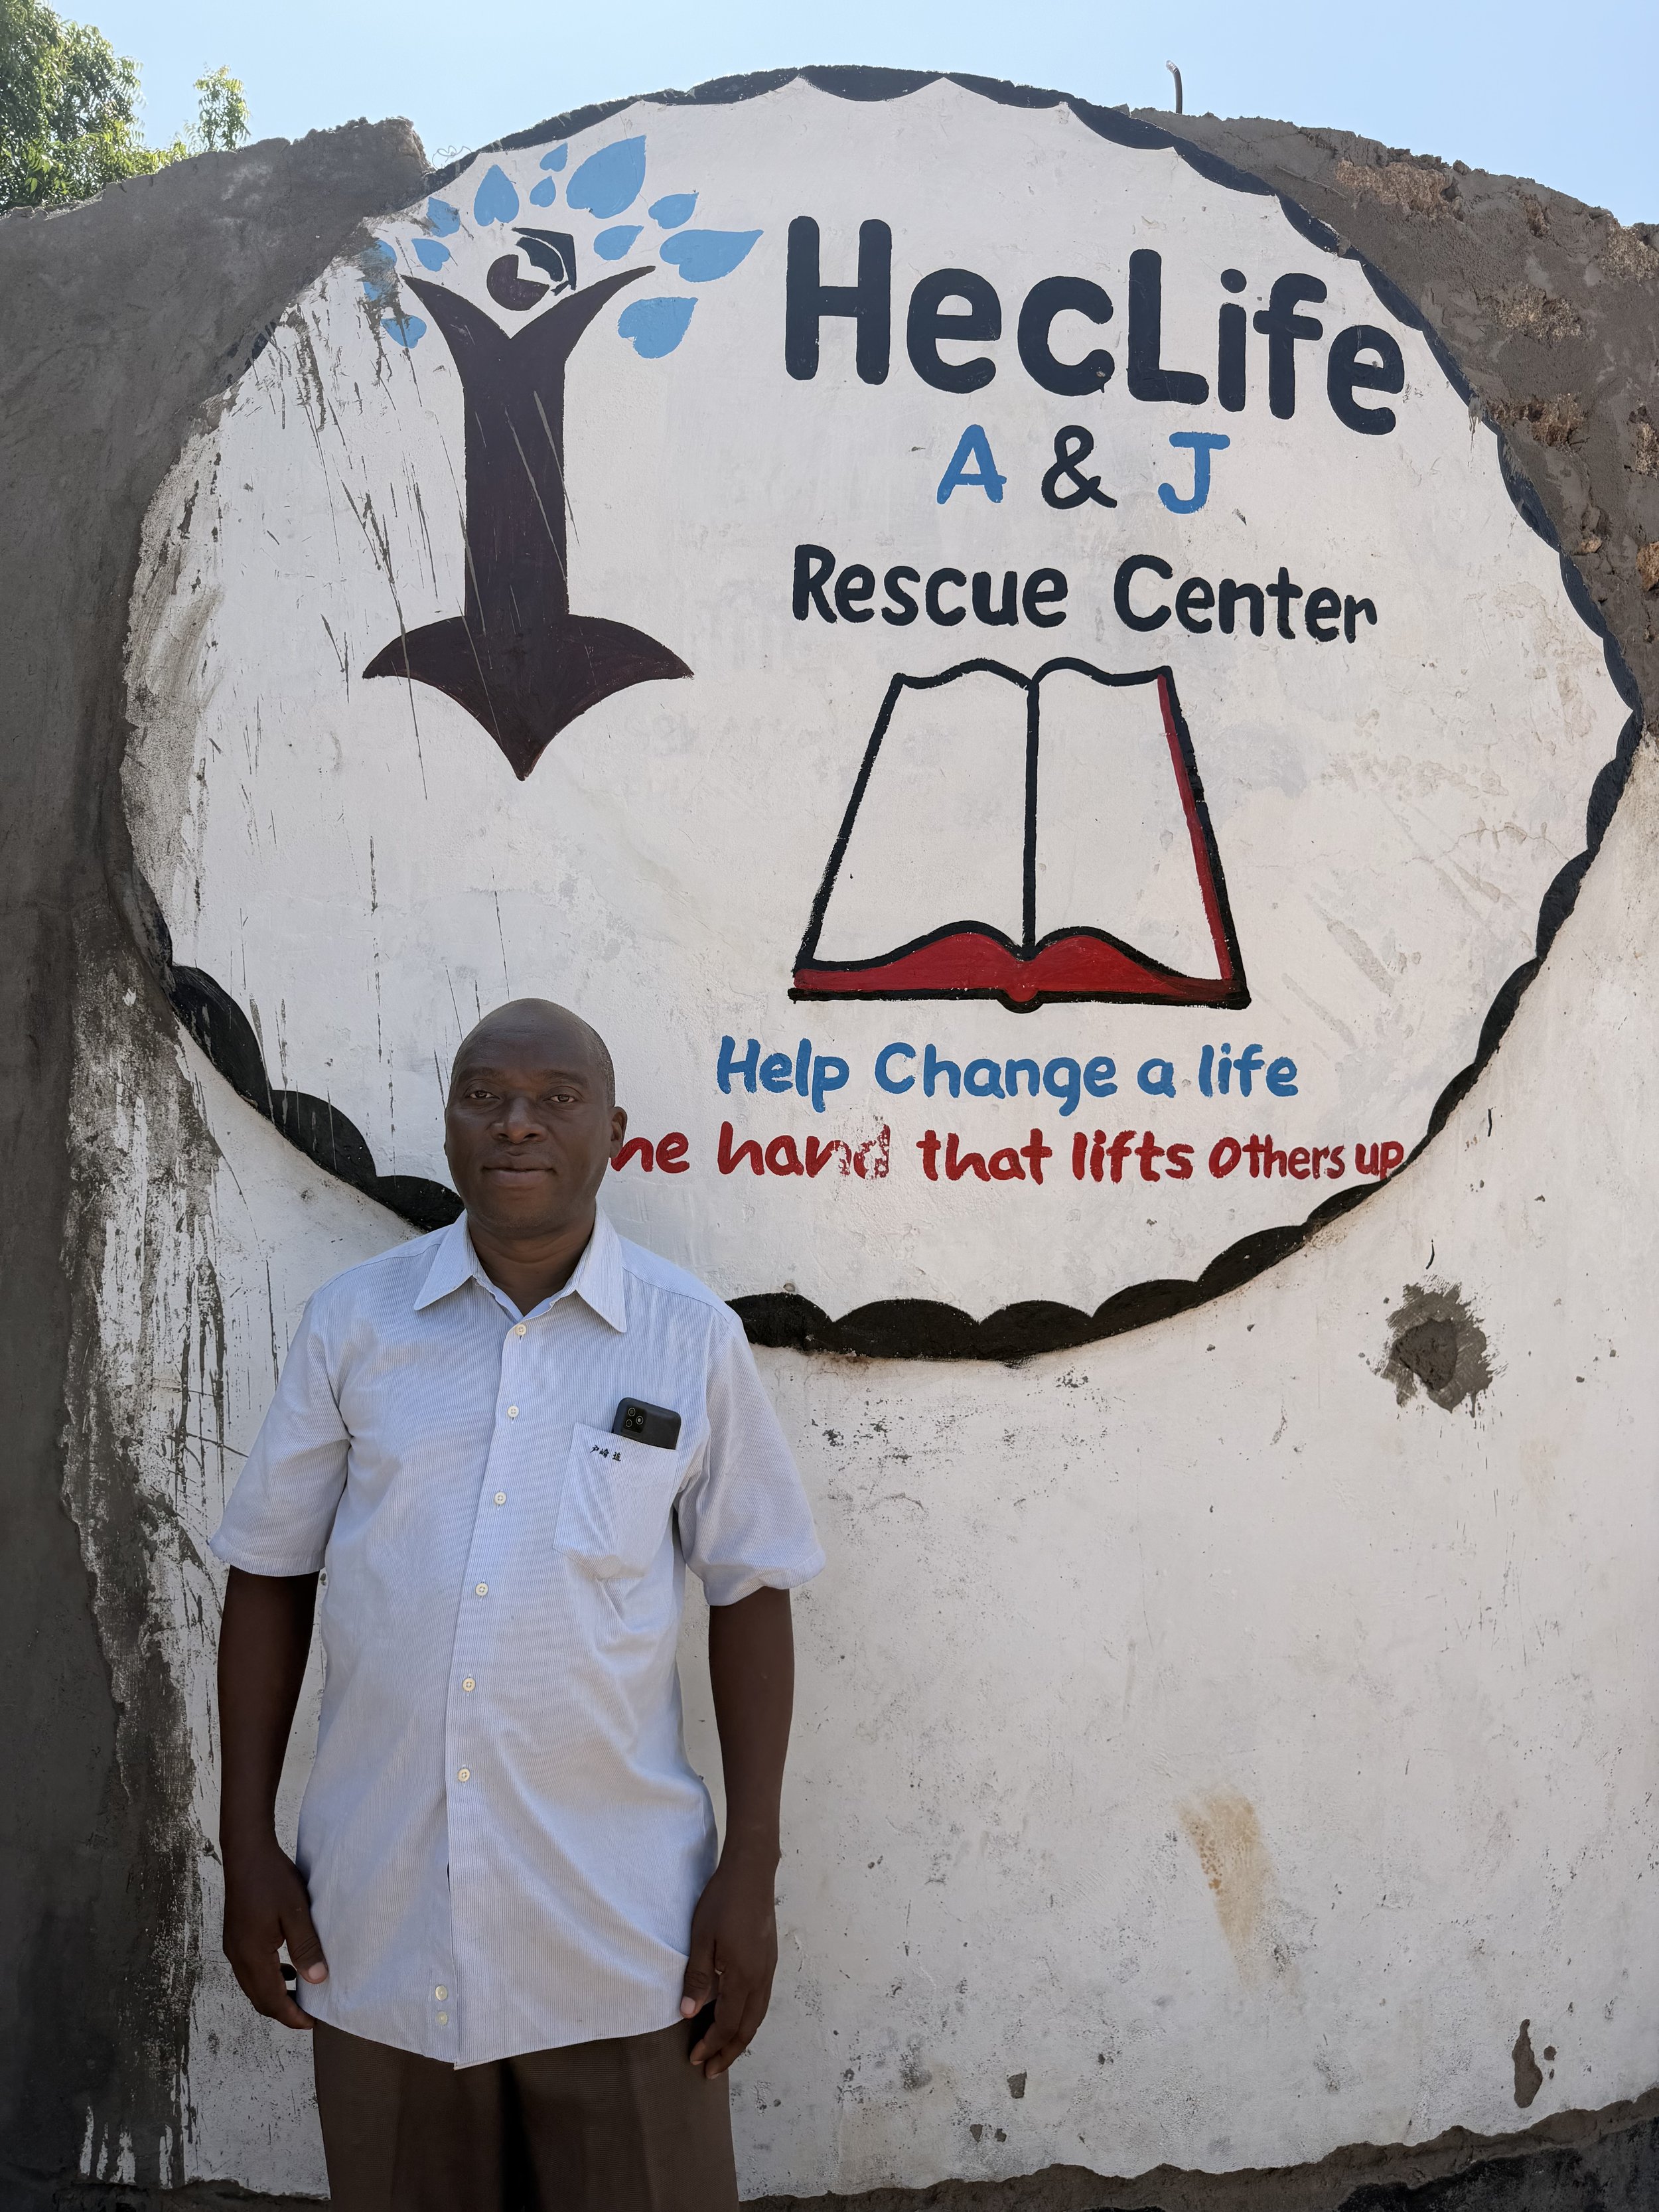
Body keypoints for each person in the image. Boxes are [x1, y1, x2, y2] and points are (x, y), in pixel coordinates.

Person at [212, 998, 824, 2212]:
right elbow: (270, 1573)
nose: (518, 1124)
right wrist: (244, 1842)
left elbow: (750, 1589)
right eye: (485, 1095)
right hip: (382, 1922)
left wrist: (749, 1869)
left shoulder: (687, 1337)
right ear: (448, 1129)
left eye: (556, 1097)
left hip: (623, 1937)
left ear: (616, 1133)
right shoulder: (356, 1322)